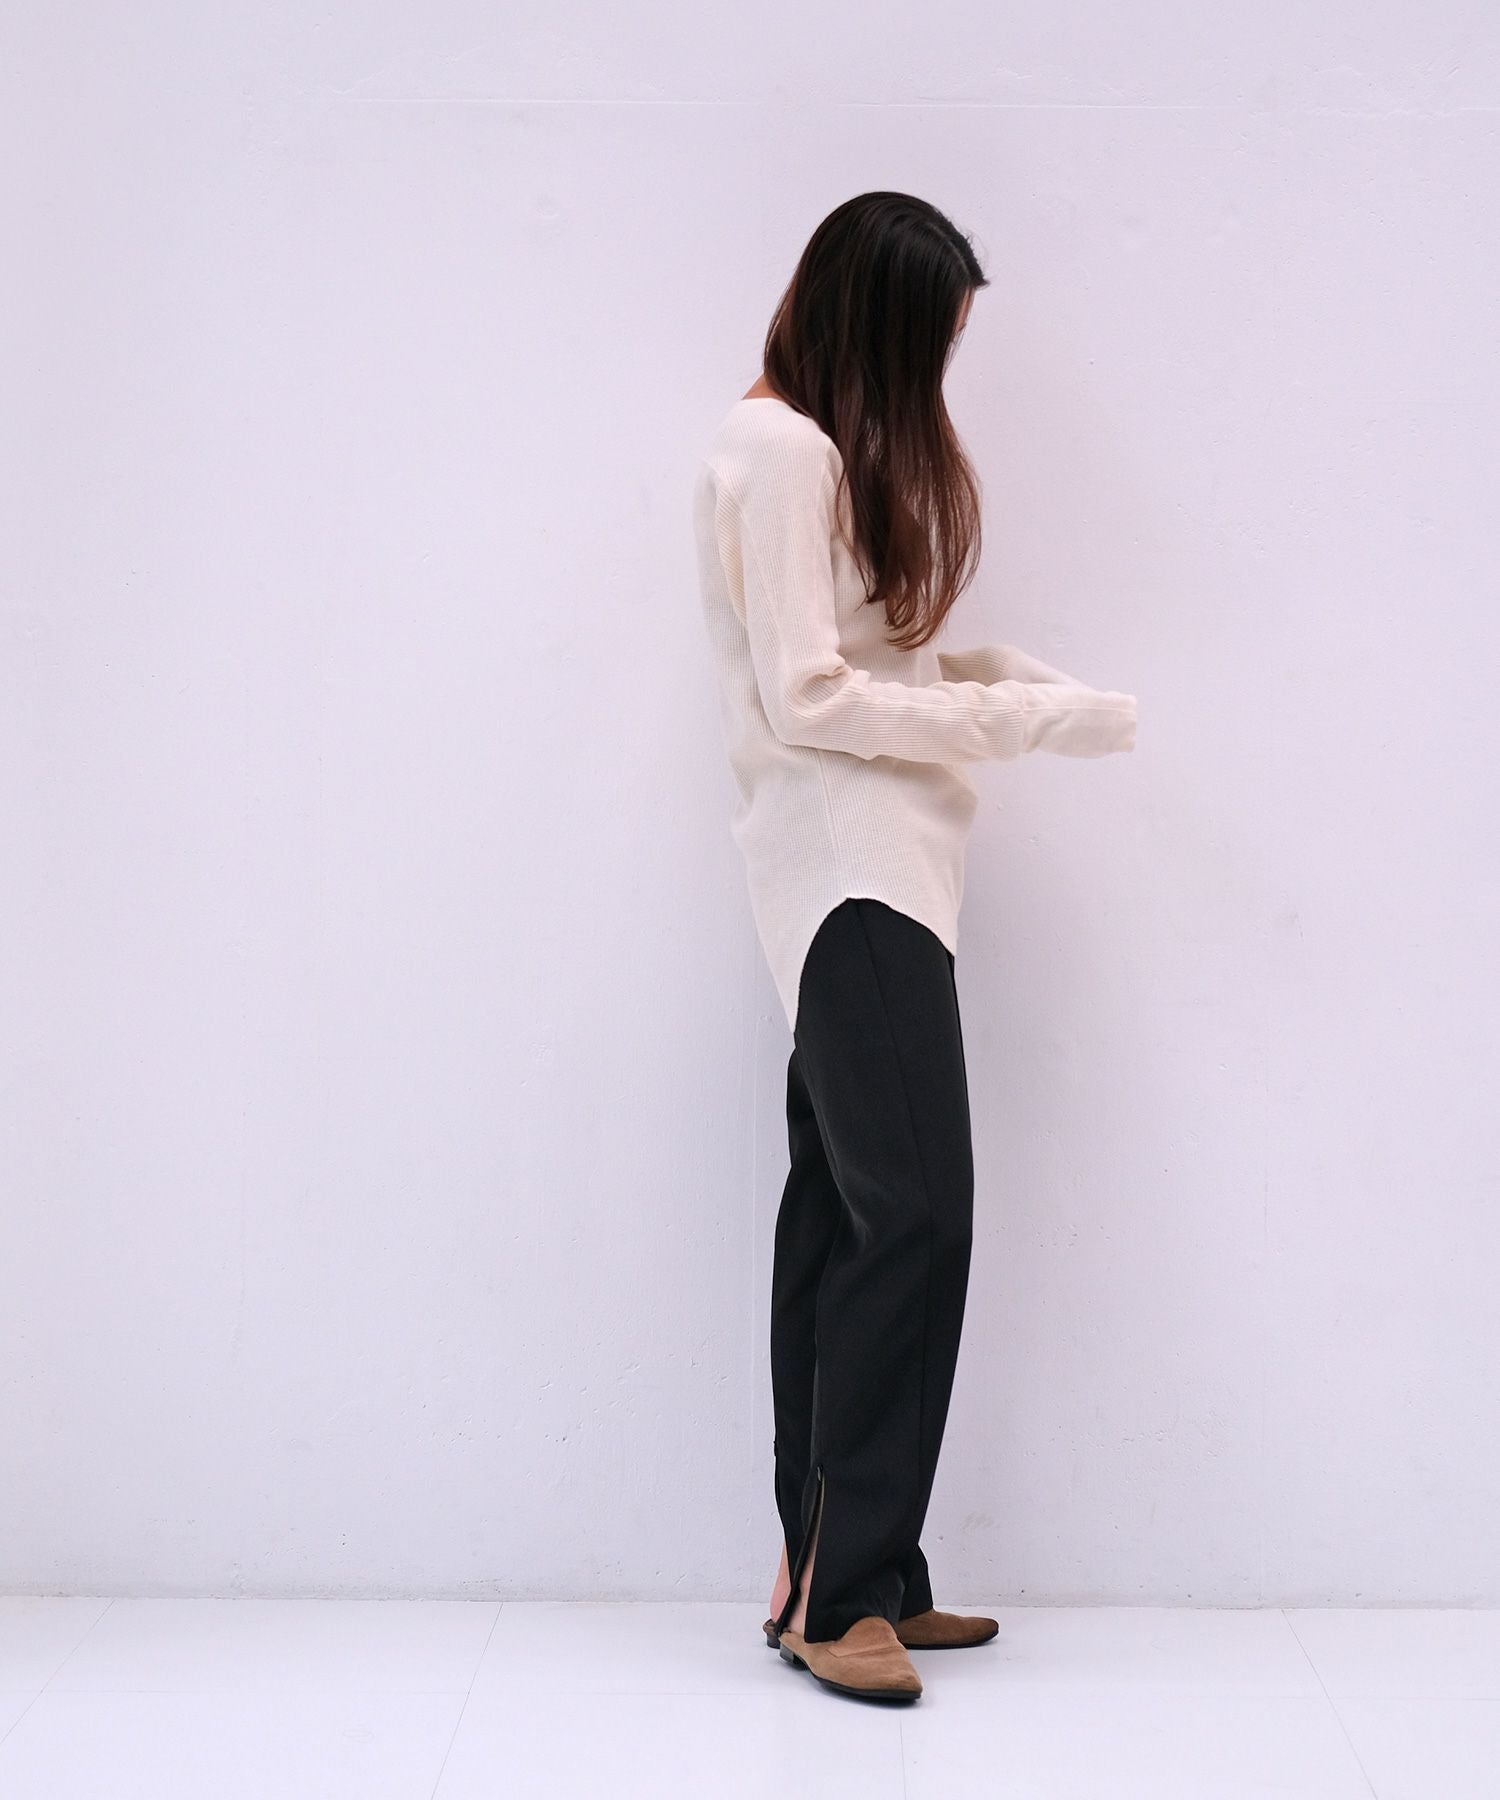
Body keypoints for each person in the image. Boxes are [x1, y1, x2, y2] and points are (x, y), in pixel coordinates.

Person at [690, 192, 1139, 1703]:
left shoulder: (796, 449)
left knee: (845, 1214)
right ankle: (840, 1594)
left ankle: (848, 1574)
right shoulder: (779, 452)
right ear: (872, 326)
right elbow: (809, 697)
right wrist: (1020, 721)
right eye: (928, 348)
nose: (934, 382)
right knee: (915, 1216)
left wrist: (1007, 683)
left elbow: (871, 661)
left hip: (883, 872)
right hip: (849, 872)